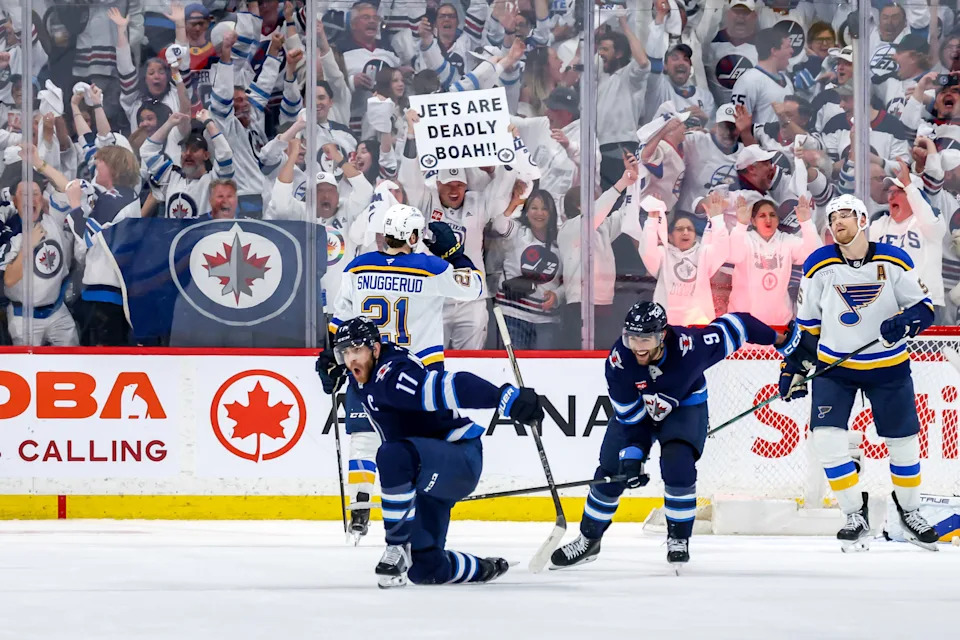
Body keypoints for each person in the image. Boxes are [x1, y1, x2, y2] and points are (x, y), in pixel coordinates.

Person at [551, 301, 792, 568]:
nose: (638, 346)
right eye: (632, 338)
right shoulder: (619, 362)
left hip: (685, 406)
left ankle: (679, 538)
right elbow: (631, 419)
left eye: (646, 338)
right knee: (611, 472)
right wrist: (633, 455)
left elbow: (740, 324)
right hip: (640, 410)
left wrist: (783, 342)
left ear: (662, 335)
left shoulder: (692, 346)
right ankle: (589, 540)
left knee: (678, 462)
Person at [316, 315, 543, 588]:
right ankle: (486, 568)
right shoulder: (363, 370)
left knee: (392, 455)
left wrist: (503, 397)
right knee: (426, 569)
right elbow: (350, 369)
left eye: (357, 351)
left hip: (458, 458)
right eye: (346, 353)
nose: (351, 360)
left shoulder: (394, 376)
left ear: (375, 349)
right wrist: (334, 362)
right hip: (424, 467)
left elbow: (452, 385)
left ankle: (396, 548)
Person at [780, 194, 939, 552]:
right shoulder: (818, 264)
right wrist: (793, 366)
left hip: (888, 367)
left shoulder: (894, 259)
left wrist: (906, 322)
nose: (837, 222)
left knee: (904, 445)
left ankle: (910, 511)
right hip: (835, 368)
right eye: (833, 218)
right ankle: (854, 513)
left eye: (845, 216)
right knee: (827, 441)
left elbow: (924, 308)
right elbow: (807, 325)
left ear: (863, 220)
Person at [324, 204, 484, 540]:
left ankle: (360, 505)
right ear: (413, 235)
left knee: (366, 439)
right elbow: (475, 287)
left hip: (366, 366)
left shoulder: (357, 268)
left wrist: (331, 361)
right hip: (417, 374)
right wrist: (455, 253)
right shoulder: (431, 267)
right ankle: (419, 510)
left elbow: (338, 325)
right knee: (419, 445)